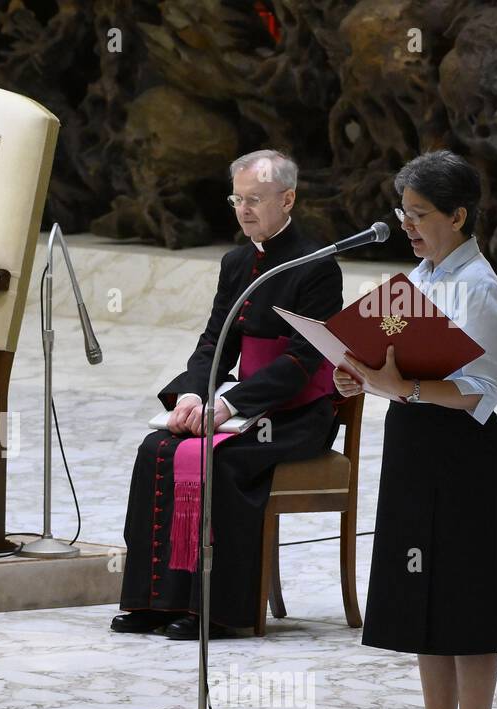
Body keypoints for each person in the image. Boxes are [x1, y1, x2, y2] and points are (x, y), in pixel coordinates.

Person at [335, 149, 497, 709]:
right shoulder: (419, 277)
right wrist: (361, 372)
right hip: (415, 447)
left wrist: (405, 384)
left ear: (458, 214)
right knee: (424, 600)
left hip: (463, 458)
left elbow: (479, 391)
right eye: (403, 213)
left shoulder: (479, 290)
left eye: (420, 215)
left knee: (467, 602)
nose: (408, 226)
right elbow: (397, 360)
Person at [113, 150, 343, 639]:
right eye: (237, 199)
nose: (243, 210)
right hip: (242, 405)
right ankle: (153, 601)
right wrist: (194, 396)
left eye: (255, 200)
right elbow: (215, 341)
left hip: (295, 413)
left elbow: (301, 362)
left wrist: (229, 404)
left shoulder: (317, 265)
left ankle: (216, 609)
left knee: (223, 463)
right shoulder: (236, 261)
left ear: (289, 199)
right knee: (157, 449)